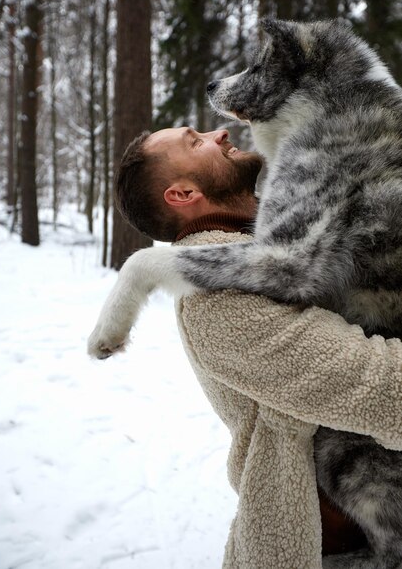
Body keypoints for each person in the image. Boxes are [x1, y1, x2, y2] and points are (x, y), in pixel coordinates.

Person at [114, 127, 402, 569]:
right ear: (183, 193)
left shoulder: (276, 243)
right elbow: (381, 389)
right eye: (196, 142)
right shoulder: (216, 303)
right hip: (355, 542)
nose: (219, 131)